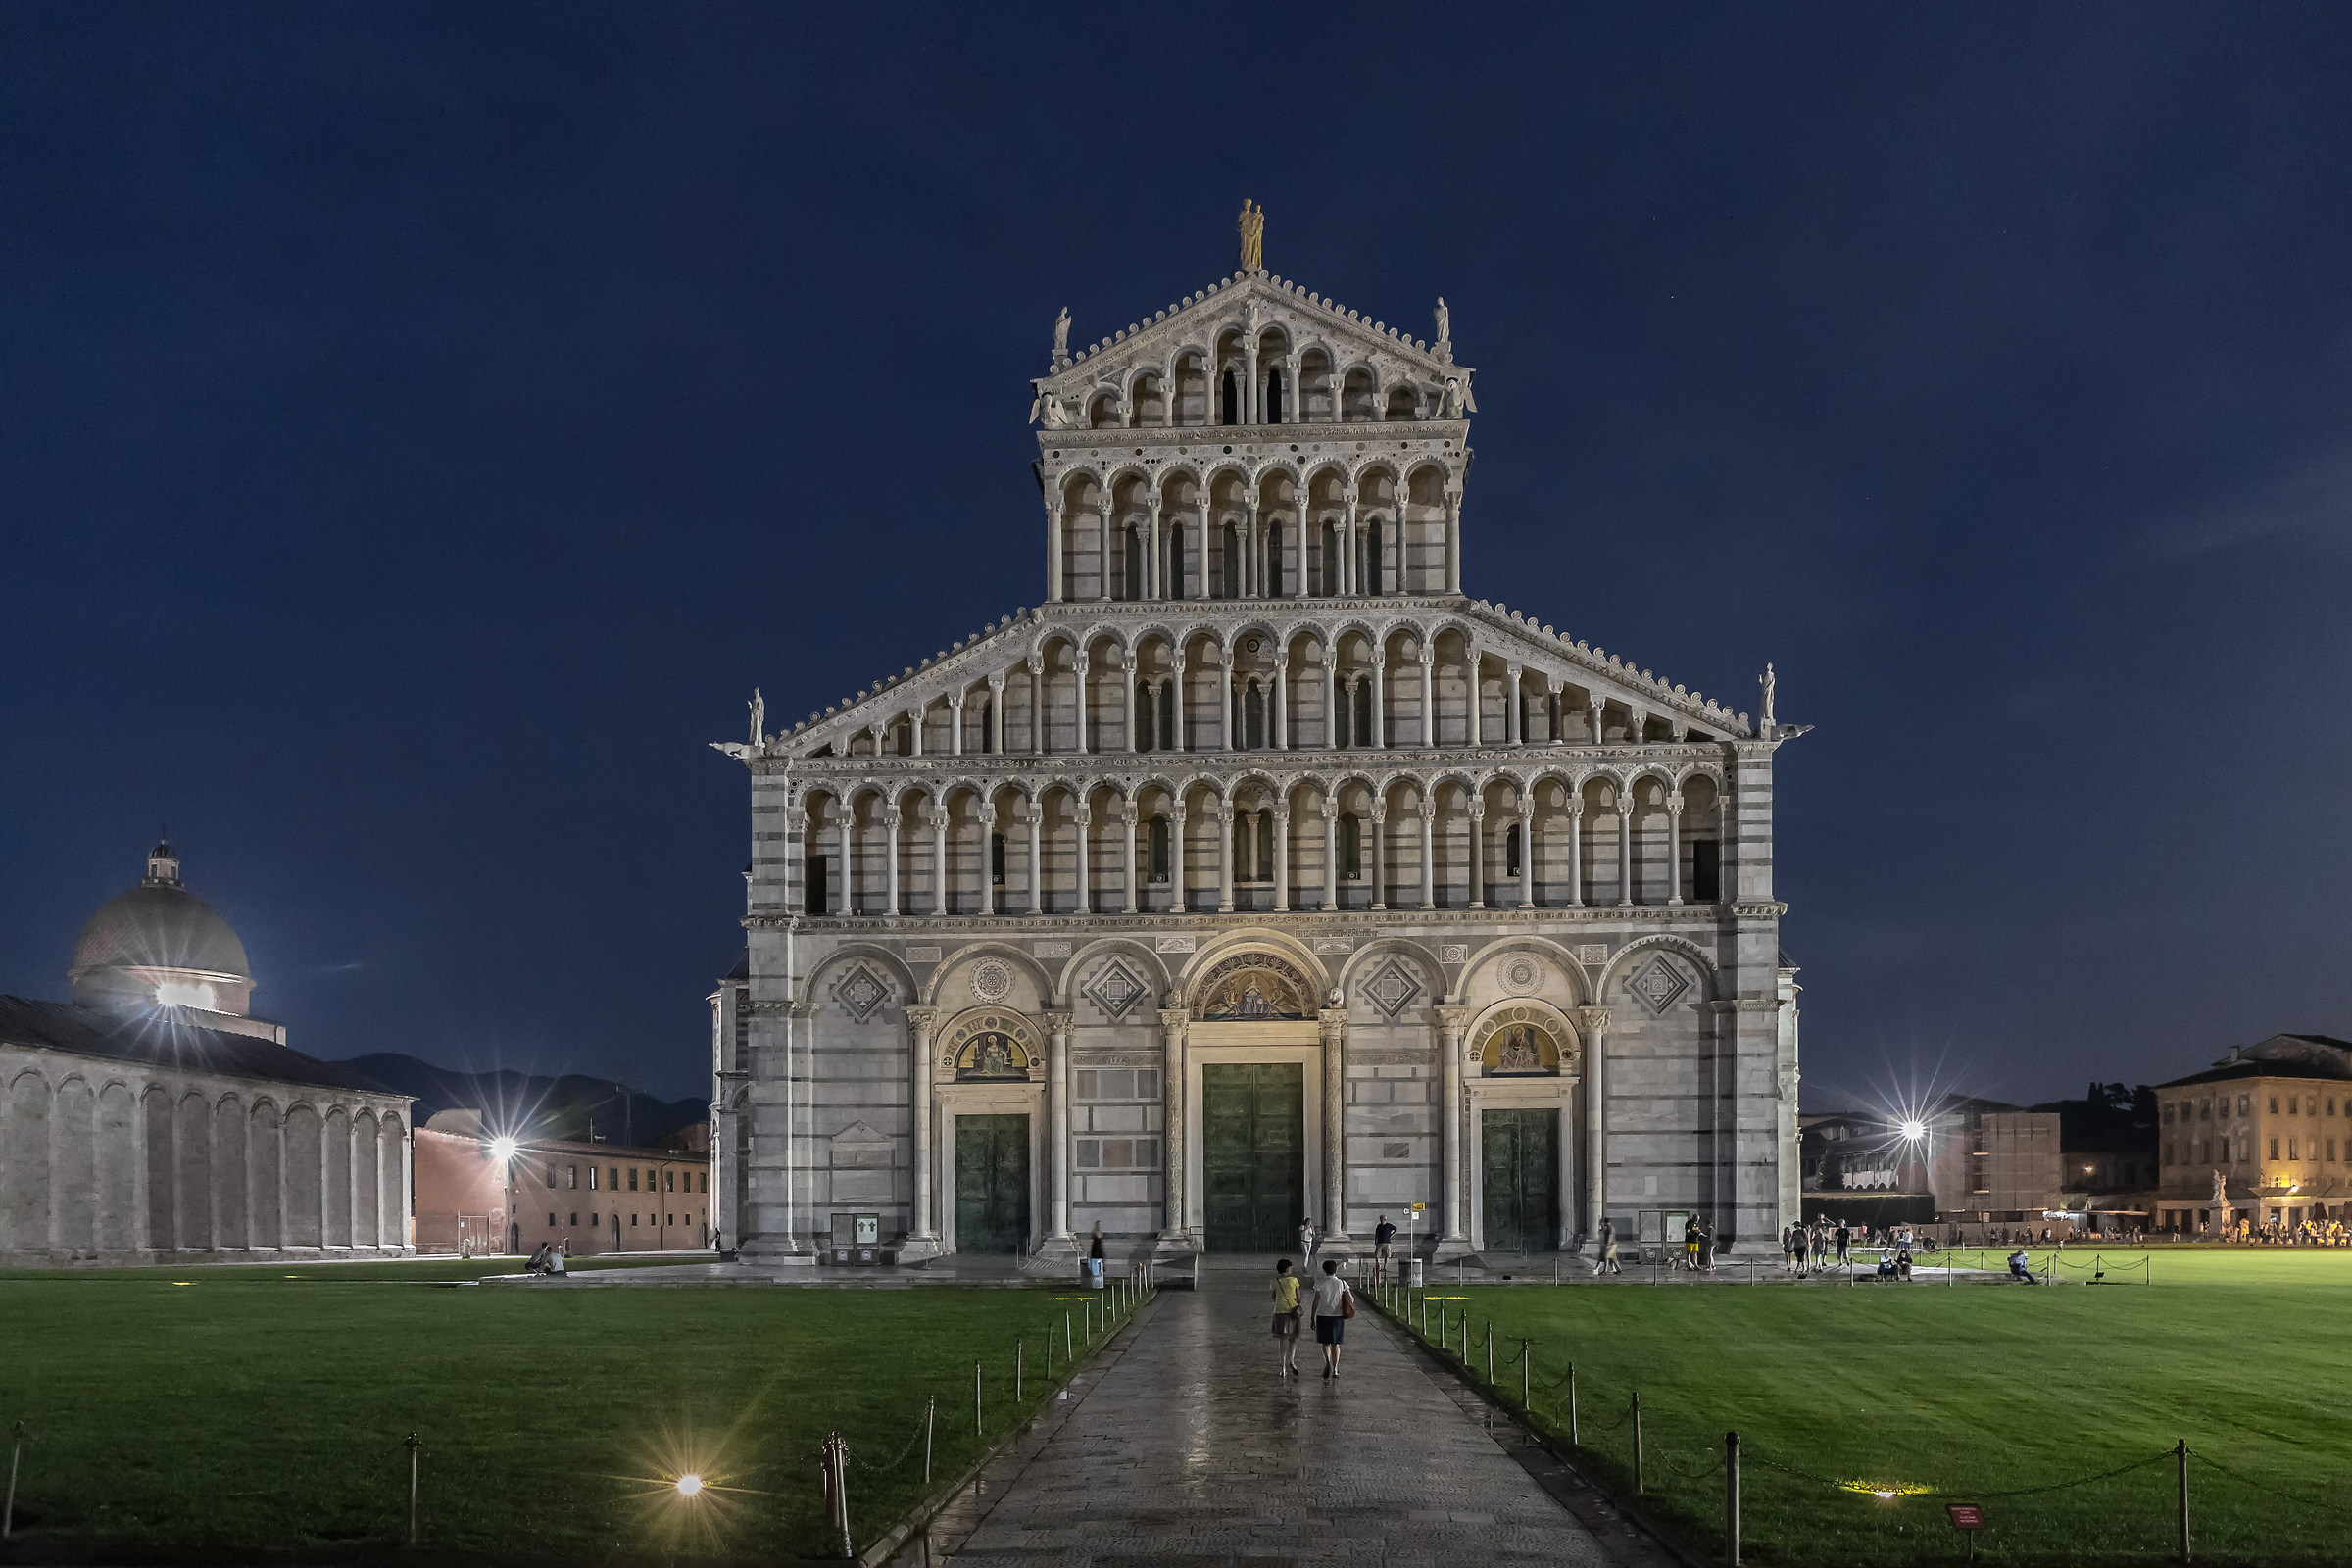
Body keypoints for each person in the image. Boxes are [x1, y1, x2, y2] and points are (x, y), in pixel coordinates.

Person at [1310, 1259, 1353, 1379]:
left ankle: (1327, 1362)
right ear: (1336, 1270)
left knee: (1325, 1343)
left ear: (1324, 1271)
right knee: (1336, 1344)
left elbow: (1316, 1301)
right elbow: (1351, 1299)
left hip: (1322, 1315)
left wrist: (1312, 1316)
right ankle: (1335, 1369)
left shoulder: (1319, 1283)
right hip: (1337, 1316)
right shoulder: (1342, 1283)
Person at [1270, 1258, 1302, 1379]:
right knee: (1293, 1338)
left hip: (1279, 1311)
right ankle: (1291, 1361)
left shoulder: (1274, 1281)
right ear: (1288, 1269)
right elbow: (1299, 1298)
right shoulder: (1294, 1280)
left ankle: (1282, 1367)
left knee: (1282, 1340)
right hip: (1293, 1312)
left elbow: (1273, 1297)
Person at [1373, 1215, 1397, 1285]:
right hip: (1380, 1242)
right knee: (1377, 1254)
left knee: (1387, 1255)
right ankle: (1378, 1265)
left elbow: (1395, 1228)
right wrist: (1375, 1240)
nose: (1381, 1220)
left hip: (1387, 1242)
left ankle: (1385, 1266)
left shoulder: (1388, 1225)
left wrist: (1391, 1235)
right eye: (1381, 1219)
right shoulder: (1379, 1226)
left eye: (1382, 1219)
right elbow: (1376, 1234)